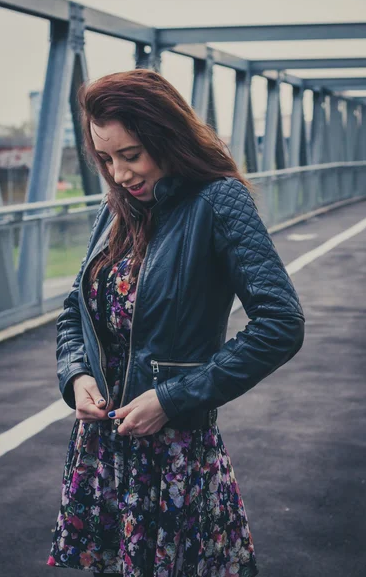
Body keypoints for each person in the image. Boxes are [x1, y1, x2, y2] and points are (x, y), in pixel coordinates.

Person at [47, 68, 305, 577]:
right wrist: (76, 376)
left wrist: (171, 398)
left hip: (173, 455)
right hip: (104, 450)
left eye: (131, 155)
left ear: (167, 137)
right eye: (105, 159)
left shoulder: (218, 200)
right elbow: (74, 309)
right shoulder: (115, 208)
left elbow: (281, 323)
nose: (119, 174)